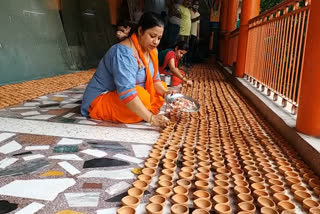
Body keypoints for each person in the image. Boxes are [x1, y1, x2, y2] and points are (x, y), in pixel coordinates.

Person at [81, 12, 172, 128]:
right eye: (152, 36)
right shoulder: (123, 53)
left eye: (159, 38)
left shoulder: (152, 51)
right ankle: (143, 111)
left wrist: (166, 94)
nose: (156, 42)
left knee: (161, 88)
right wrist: (151, 118)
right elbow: (127, 93)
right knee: (142, 97)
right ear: (140, 31)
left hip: (125, 94)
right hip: (100, 98)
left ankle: (142, 109)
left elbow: (155, 80)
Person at [178, 0, 192, 66]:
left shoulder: (189, 10)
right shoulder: (180, 7)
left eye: (189, 1)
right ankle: (179, 63)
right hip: (181, 32)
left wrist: (189, 33)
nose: (188, 2)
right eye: (187, 1)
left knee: (186, 49)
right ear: (183, 1)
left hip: (187, 33)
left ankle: (183, 62)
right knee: (181, 48)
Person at [187, 0, 200, 64]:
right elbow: (189, 21)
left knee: (192, 48)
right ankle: (185, 61)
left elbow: (198, 26)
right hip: (188, 32)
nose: (196, 6)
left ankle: (189, 61)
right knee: (187, 47)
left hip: (194, 34)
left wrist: (198, 35)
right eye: (195, 4)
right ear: (192, 4)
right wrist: (197, 18)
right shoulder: (189, 11)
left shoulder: (198, 14)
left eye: (197, 5)